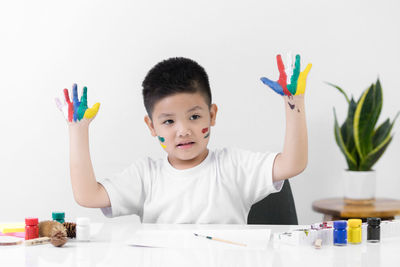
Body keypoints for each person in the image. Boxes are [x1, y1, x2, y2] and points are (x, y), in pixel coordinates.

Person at [56, 55, 311, 224]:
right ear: (151, 126)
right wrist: (78, 130)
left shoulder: (234, 166)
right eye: (168, 121)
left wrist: (294, 102)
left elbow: (293, 164)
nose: (183, 130)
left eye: (195, 116)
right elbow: (88, 196)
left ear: (212, 115)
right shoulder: (147, 175)